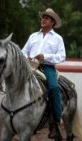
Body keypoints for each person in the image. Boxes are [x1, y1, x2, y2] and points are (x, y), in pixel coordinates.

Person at [21, 8, 66, 137]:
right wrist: (26, 57)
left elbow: (62, 56)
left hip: (47, 67)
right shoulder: (33, 36)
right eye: (43, 17)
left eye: (46, 18)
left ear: (52, 22)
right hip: (30, 66)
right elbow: (24, 51)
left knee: (53, 87)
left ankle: (56, 122)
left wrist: (45, 57)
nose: (43, 19)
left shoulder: (58, 38)